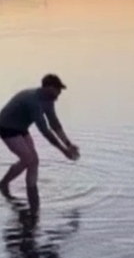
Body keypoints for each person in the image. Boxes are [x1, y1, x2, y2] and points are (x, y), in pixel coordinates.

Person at [0, 74, 79, 214]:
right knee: (27, 159)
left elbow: (54, 124)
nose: (59, 94)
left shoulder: (49, 101)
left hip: (21, 127)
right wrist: (63, 151)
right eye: (57, 90)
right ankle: (3, 185)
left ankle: (32, 194)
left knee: (34, 161)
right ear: (48, 88)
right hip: (6, 127)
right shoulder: (33, 101)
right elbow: (45, 131)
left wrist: (68, 144)